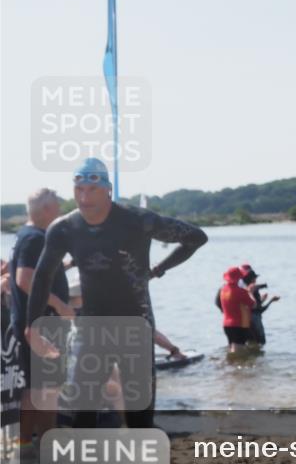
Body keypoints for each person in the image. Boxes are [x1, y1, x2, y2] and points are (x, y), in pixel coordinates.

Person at [26, 158, 207, 428]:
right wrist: (32, 326)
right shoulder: (64, 228)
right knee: (80, 412)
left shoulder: (138, 220)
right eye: (79, 189)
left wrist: (158, 269)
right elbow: (43, 276)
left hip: (135, 325)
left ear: (108, 189)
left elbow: (196, 237)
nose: (84, 197)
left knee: (139, 417)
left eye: (92, 189)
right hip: (92, 329)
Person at [8, 189, 75, 464]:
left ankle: (24, 448)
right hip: (41, 324)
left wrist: (66, 265)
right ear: (46, 209)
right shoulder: (35, 238)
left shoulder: (26, 236)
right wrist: (59, 305)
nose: (60, 211)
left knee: (35, 388)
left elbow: (34, 274)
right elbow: (25, 280)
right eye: (58, 206)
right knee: (47, 389)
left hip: (32, 321)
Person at [240, 264, 278, 346]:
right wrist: (271, 300)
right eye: (254, 278)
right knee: (261, 342)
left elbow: (254, 306)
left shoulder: (244, 290)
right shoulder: (251, 289)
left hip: (246, 320)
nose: (256, 279)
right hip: (255, 319)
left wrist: (262, 300)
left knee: (250, 343)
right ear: (251, 279)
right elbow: (260, 310)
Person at [218, 267, 254, 353]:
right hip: (238, 325)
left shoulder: (223, 290)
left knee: (232, 349)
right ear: (239, 278)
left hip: (226, 325)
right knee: (239, 351)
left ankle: (230, 365)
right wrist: (250, 292)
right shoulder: (241, 292)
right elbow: (253, 304)